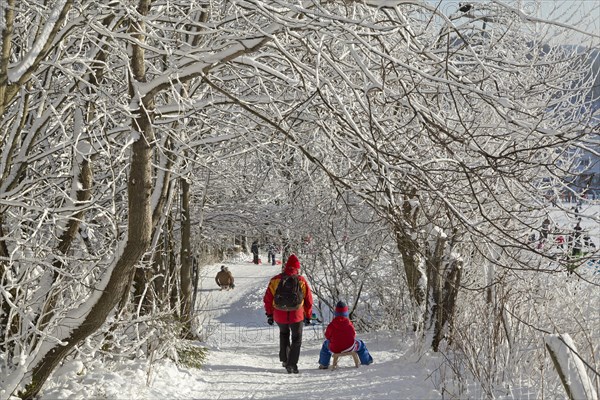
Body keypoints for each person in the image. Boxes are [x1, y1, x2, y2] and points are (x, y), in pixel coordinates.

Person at [263, 254, 313, 374]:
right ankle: (292, 364)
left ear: (286, 267)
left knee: (284, 334)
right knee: (297, 339)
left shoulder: (275, 280)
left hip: (279, 314)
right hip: (297, 315)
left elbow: (268, 299)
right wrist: (308, 315)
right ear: (297, 267)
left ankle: (285, 360)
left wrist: (269, 314)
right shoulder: (301, 280)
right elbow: (308, 300)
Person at [318, 301, 373, 369]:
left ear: (336, 313)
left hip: (335, 348)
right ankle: (366, 361)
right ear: (346, 313)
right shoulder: (349, 324)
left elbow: (327, 336)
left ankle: (324, 364)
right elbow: (353, 335)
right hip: (350, 347)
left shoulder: (331, 325)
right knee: (360, 344)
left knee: (325, 345)